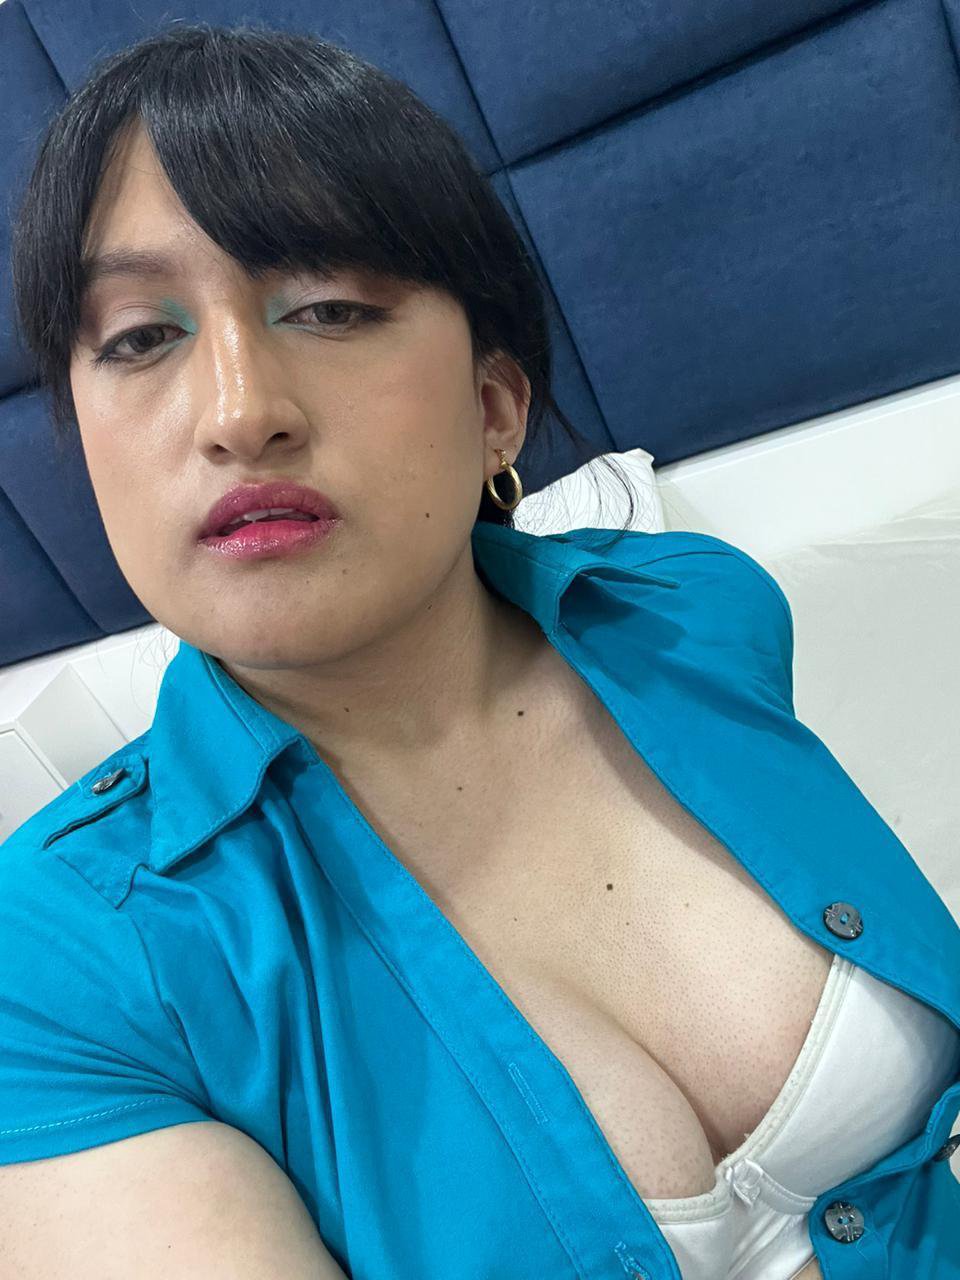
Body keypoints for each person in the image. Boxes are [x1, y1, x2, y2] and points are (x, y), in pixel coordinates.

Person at [2, 23, 959, 1280]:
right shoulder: (56, 961)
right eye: (138, 336)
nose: (239, 411)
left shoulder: (692, 614)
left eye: (328, 305)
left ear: (495, 405)